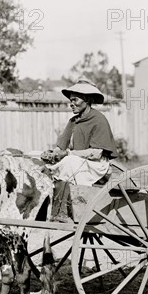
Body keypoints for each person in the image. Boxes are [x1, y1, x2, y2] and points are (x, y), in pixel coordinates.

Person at [41, 79, 118, 221]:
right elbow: (60, 148)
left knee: (69, 162)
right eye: (70, 100)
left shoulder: (99, 120)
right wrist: (52, 154)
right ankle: (51, 206)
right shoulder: (73, 121)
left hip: (97, 165)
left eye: (75, 100)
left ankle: (62, 211)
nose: (71, 104)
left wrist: (68, 154)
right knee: (41, 161)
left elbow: (96, 153)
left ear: (87, 99)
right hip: (79, 162)